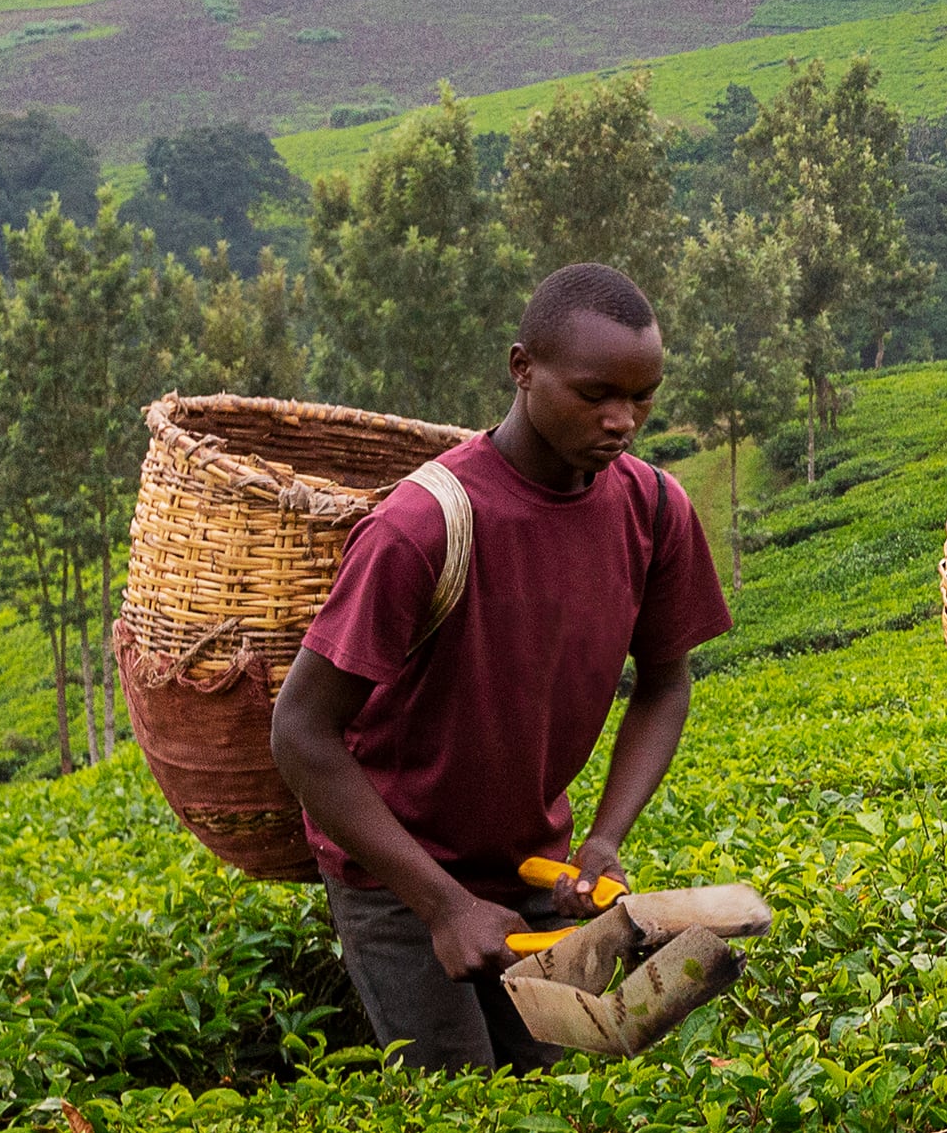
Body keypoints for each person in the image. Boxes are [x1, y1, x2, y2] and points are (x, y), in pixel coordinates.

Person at [274, 262, 732, 1070]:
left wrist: (604, 838)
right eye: (596, 395)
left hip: (530, 859)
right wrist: (443, 905)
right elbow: (302, 732)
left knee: (561, 1090)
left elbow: (665, 683)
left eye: (643, 395)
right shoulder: (423, 525)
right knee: (461, 1107)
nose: (624, 420)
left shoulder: (656, 509)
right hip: (397, 877)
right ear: (523, 369)